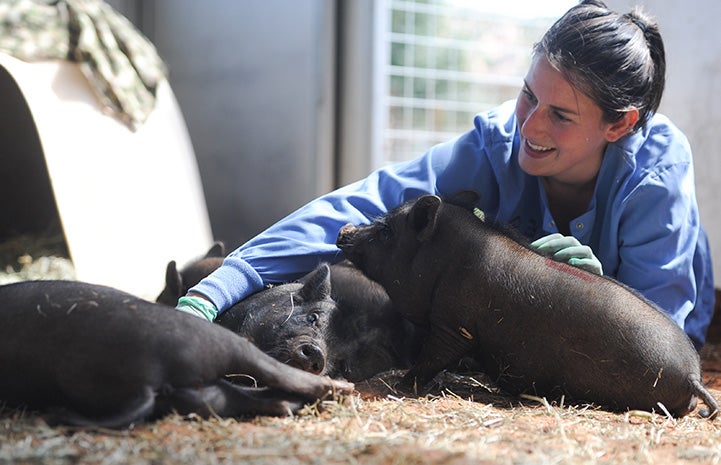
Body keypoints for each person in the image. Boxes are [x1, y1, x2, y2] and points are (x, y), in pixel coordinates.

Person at [177, 0, 715, 349]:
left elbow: (661, 338)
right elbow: (359, 208)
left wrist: (595, 294)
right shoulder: (497, 143)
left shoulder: (657, 175)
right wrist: (222, 283)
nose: (531, 123)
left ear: (619, 124)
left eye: (561, 114)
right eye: (529, 94)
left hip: (650, 316)